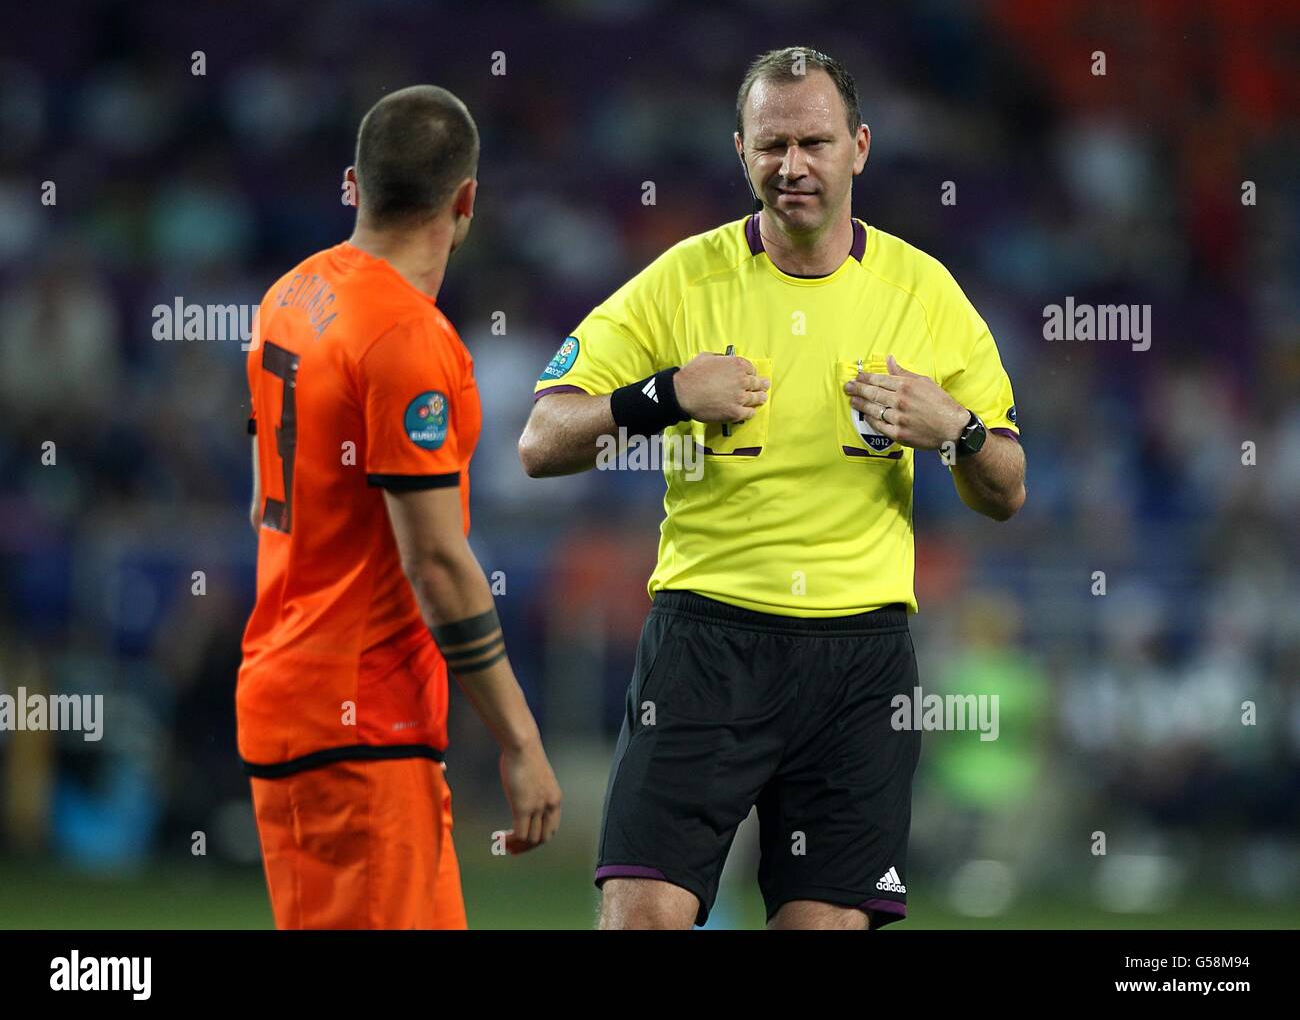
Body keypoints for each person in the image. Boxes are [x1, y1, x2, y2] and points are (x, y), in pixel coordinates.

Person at [519, 47, 1025, 930]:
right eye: (772, 144)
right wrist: (664, 393)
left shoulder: (925, 293)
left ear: (859, 148)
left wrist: (958, 430)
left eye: (815, 142)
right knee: (640, 916)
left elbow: (1006, 489)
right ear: (741, 152)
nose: (793, 165)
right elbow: (539, 440)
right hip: (705, 643)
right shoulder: (683, 279)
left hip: (859, 661)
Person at [239, 85, 561, 929]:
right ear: (466, 202)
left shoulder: (288, 296)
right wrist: (520, 739)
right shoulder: (409, 343)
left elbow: (263, 503)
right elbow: (437, 563)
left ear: (353, 184)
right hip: (360, 723)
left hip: (287, 693)